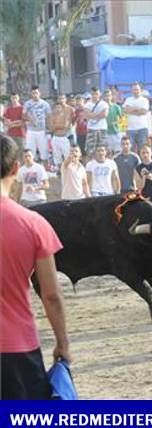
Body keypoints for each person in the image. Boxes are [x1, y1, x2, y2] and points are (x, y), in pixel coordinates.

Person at [1, 134, 71, 399]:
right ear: (16, 168)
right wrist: (62, 343)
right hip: (17, 347)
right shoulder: (34, 224)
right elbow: (51, 295)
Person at [23, 86, 51, 167]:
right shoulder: (27, 103)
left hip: (42, 131)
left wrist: (49, 130)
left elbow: (49, 117)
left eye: (36, 93)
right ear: (31, 94)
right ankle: (31, 170)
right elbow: (23, 116)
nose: (35, 95)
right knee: (30, 153)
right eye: (33, 93)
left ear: (39, 93)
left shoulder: (45, 104)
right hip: (31, 131)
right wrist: (31, 119)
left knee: (44, 153)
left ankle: (45, 172)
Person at [123, 83, 150, 153]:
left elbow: (143, 111)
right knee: (130, 150)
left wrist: (131, 110)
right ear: (131, 91)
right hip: (130, 129)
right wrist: (137, 109)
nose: (135, 91)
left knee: (142, 149)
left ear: (141, 90)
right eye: (134, 89)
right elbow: (125, 110)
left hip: (142, 128)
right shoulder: (128, 100)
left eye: (137, 89)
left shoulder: (145, 100)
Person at [49, 94, 74, 170]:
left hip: (65, 136)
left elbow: (66, 126)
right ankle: (60, 171)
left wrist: (56, 126)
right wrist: (58, 126)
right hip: (55, 137)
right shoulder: (52, 115)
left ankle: (69, 170)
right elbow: (51, 129)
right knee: (57, 157)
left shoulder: (69, 110)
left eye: (63, 98)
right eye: (59, 98)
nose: (61, 100)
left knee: (68, 156)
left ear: (66, 99)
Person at [83, 87, 109, 157]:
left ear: (99, 94)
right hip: (91, 129)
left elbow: (104, 114)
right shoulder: (87, 104)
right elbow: (86, 115)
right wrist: (98, 115)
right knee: (90, 150)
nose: (95, 96)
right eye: (93, 94)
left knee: (103, 149)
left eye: (96, 94)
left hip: (102, 129)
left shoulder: (104, 104)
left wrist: (92, 115)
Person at [103, 89, 123, 156]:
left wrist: (116, 122)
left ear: (111, 97)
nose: (107, 98)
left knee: (118, 151)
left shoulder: (116, 107)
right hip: (106, 133)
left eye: (109, 96)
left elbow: (122, 119)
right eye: (105, 96)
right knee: (108, 152)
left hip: (116, 132)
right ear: (103, 97)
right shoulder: (101, 107)